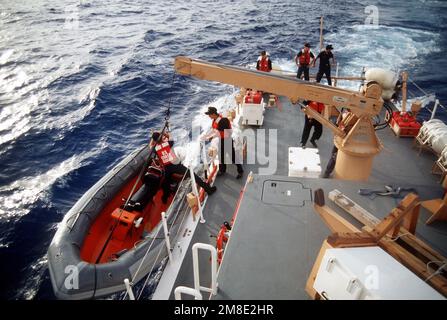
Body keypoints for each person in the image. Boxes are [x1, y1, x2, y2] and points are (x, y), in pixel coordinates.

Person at [150, 131, 217, 203]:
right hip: (176, 165)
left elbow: (150, 146)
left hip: (167, 168)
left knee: (166, 183)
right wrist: (162, 132)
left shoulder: (156, 149)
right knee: (193, 175)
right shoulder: (167, 143)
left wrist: (153, 139)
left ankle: (165, 198)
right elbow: (169, 136)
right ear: (161, 137)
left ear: (155, 141)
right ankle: (208, 190)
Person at [204, 107, 244, 179]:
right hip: (221, 140)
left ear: (213, 114)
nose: (209, 116)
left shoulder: (222, 121)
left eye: (209, 115)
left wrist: (211, 137)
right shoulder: (215, 119)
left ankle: (240, 171)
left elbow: (223, 133)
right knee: (221, 156)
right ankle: (222, 170)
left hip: (227, 140)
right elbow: (216, 130)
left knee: (233, 157)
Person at [322, 109, 355, 178]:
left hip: (341, 138)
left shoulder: (345, 111)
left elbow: (338, 122)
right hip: (344, 139)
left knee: (333, 156)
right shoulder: (350, 114)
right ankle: (327, 172)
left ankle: (327, 172)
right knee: (334, 157)